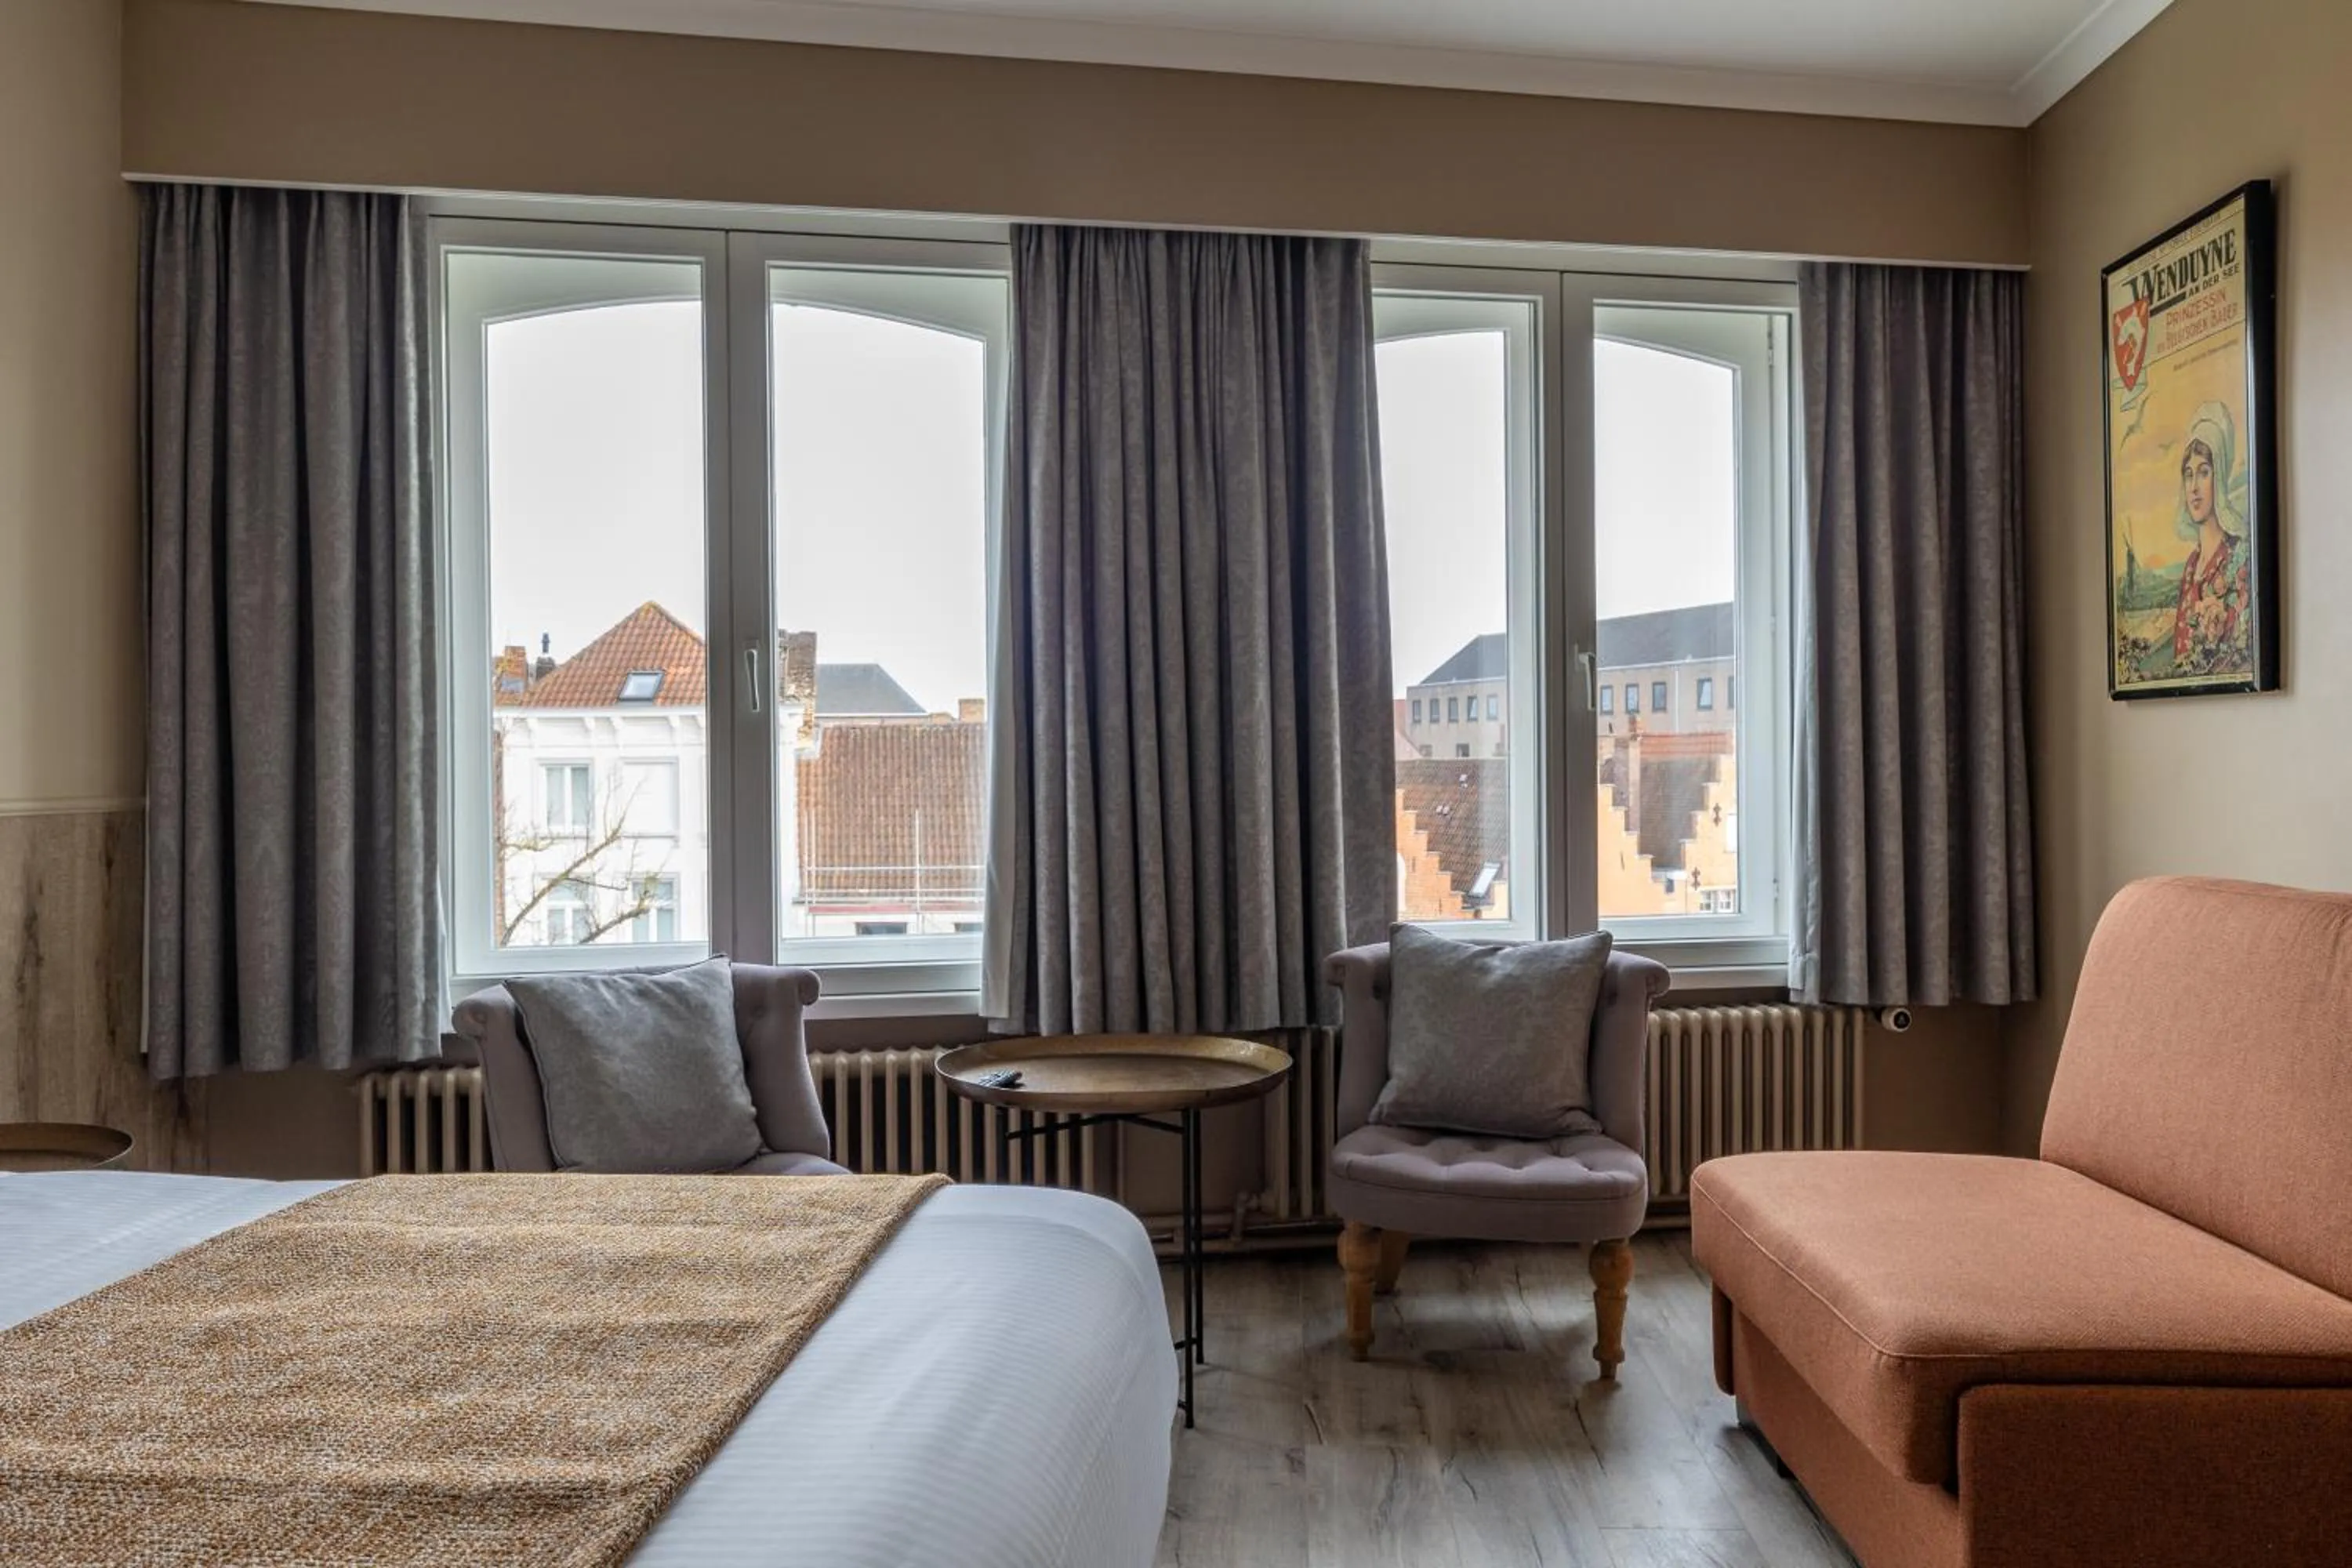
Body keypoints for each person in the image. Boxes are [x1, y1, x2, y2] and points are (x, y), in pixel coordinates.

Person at [2170, 401, 2251, 670]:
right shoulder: (2192, 565)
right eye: (2188, 475)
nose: (2194, 487)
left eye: (2204, 472)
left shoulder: (2237, 559)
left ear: (2219, 477)